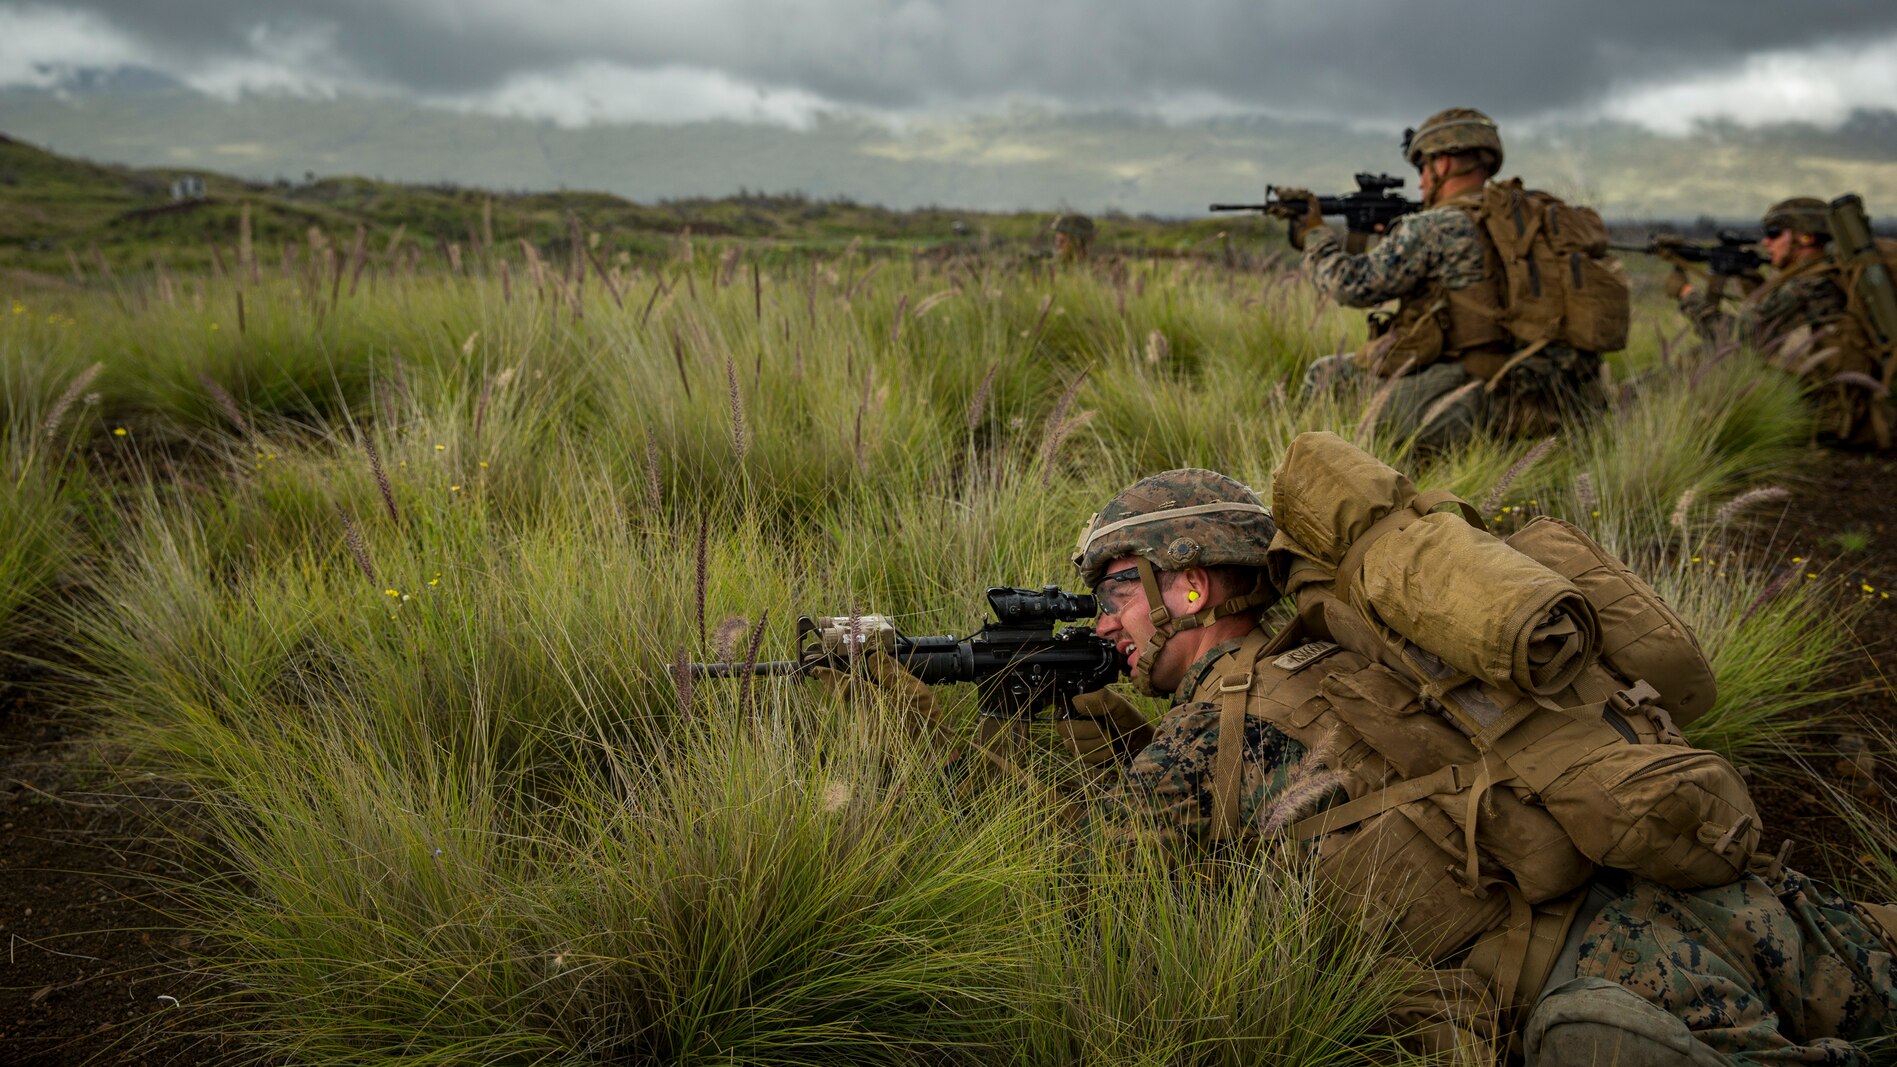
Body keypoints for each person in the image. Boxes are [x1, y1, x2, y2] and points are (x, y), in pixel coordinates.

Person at [1055, 467, 1897, 1064]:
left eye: (1118, 589)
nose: (1102, 624)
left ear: (1191, 588)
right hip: (1720, 894)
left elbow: (1084, 904)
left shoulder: (1197, 744)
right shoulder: (1376, 642)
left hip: (1608, 995)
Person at [1289, 108, 1609, 450]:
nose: (1421, 181)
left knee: (1326, 377)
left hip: (1473, 399)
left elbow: (1350, 285)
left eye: (1423, 168)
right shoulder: (1527, 220)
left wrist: (1315, 234)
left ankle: (1305, 464)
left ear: (1442, 164)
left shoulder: (1435, 225)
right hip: (1550, 389)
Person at [1674, 198, 1848, 355]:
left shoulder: (1806, 287)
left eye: (1774, 233)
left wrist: (1687, 295)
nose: (1766, 242)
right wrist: (1755, 285)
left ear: (1805, 237)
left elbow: (1735, 339)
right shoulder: (1832, 272)